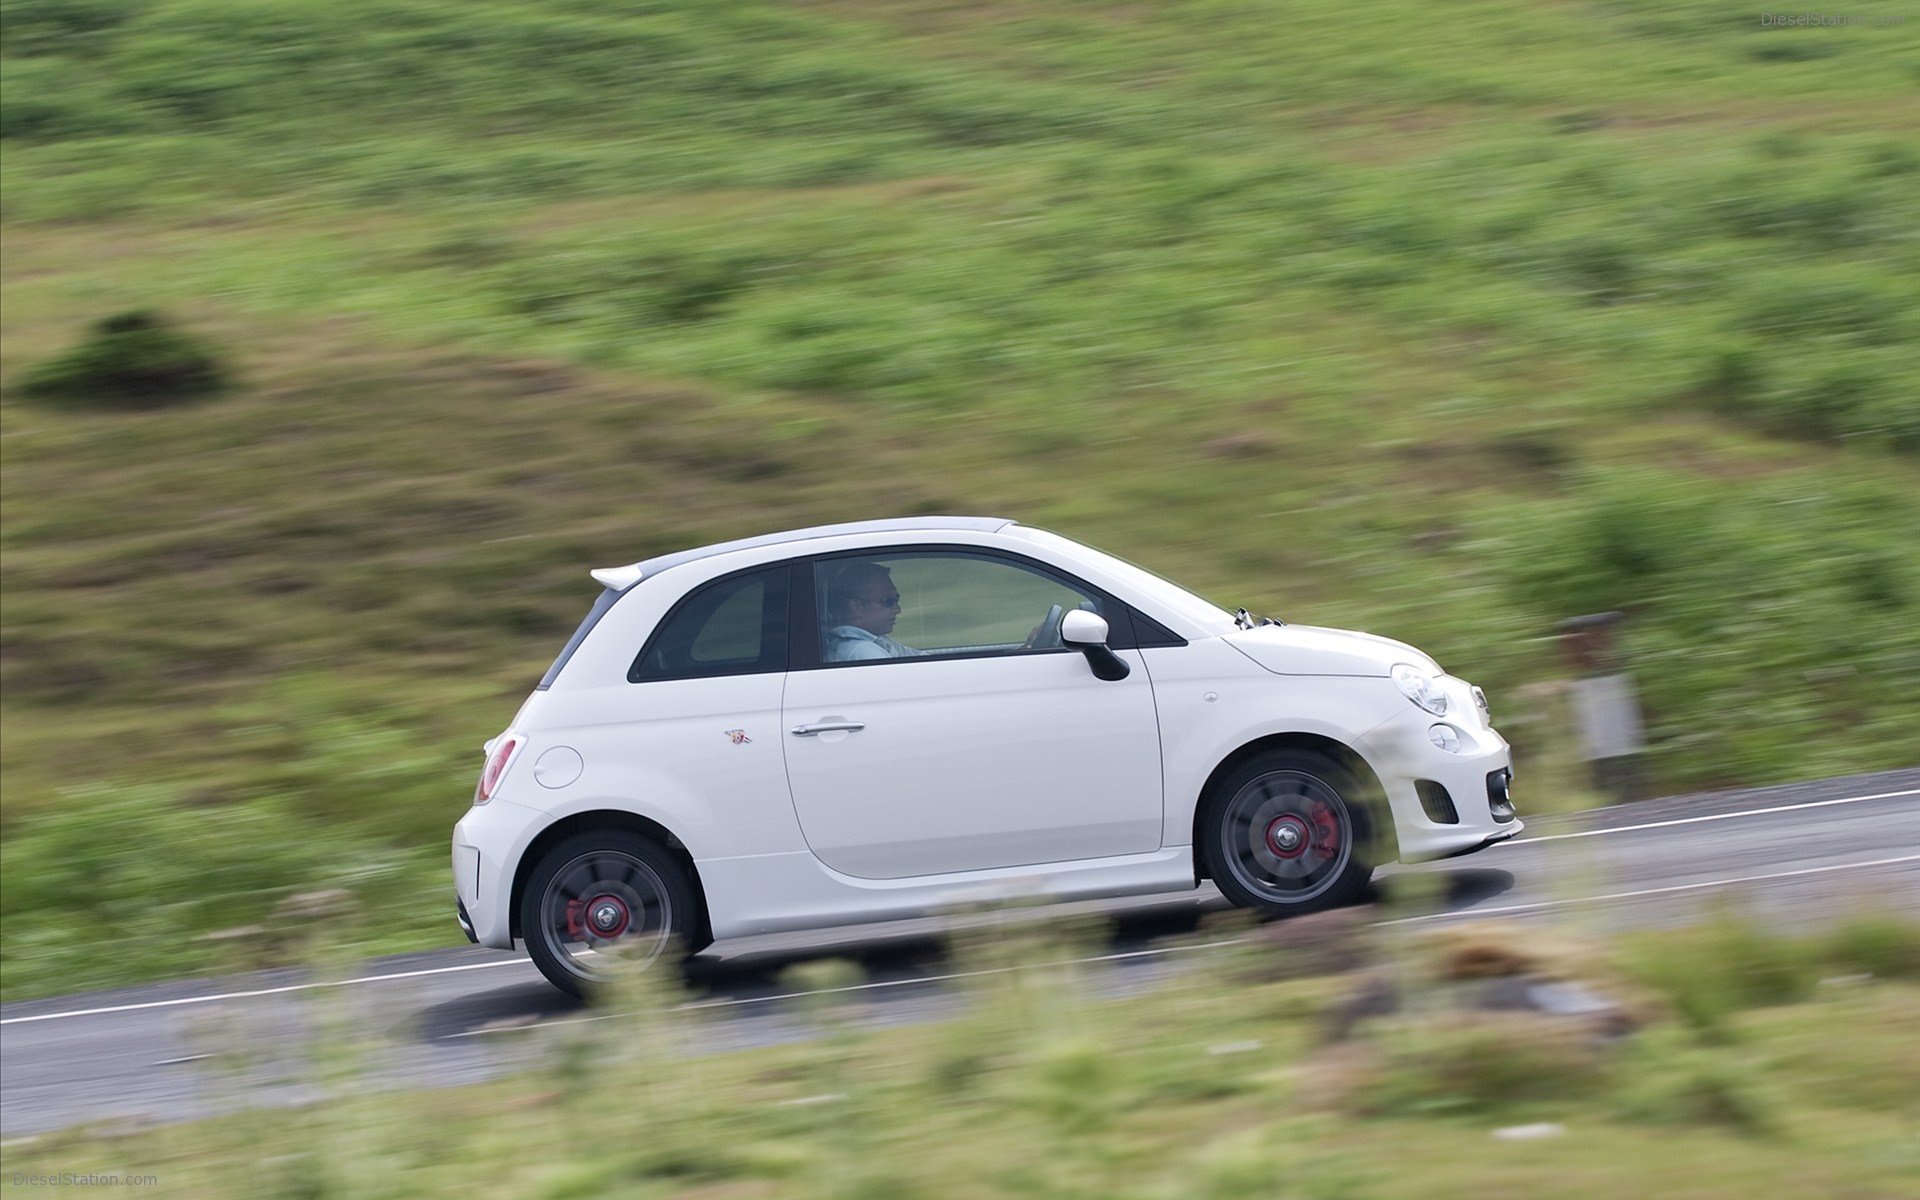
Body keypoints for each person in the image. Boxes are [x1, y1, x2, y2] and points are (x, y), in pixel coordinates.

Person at [823, 562, 924, 661]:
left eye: (896, 600)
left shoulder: (877, 640)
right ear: (858, 607)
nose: (898, 610)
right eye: (888, 601)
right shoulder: (864, 652)